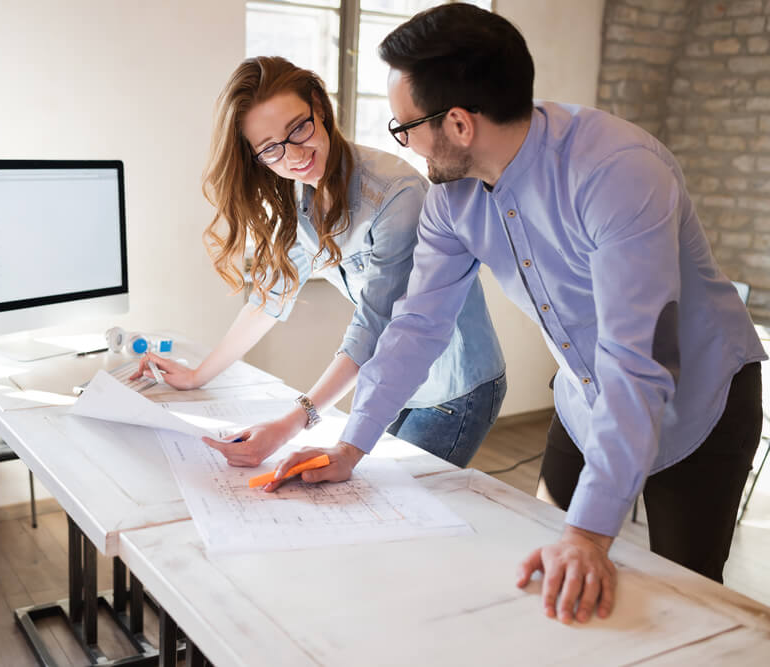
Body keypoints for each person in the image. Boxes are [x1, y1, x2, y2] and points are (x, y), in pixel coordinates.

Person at [270, 4, 766, 625]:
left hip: (699, 399)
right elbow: (418, 325)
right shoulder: (451, 199)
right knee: (545, 574)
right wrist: (351, 444)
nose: (401, 142)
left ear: (457, 123)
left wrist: (589, 535)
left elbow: (636, 360)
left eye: (403, 127)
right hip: (585, 397)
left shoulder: (617, 173)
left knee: (691, 604)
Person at [135, 55, 506, 470]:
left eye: (298, 129)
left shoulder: (395, 194)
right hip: (395, 383)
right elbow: (271, 296)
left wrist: (290, 424)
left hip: (454, 386)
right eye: (271, 149)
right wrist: (197, 376)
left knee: (398, 509)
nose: (293, 156)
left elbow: (373, 326)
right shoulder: (301, 197)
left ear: (319, 105)